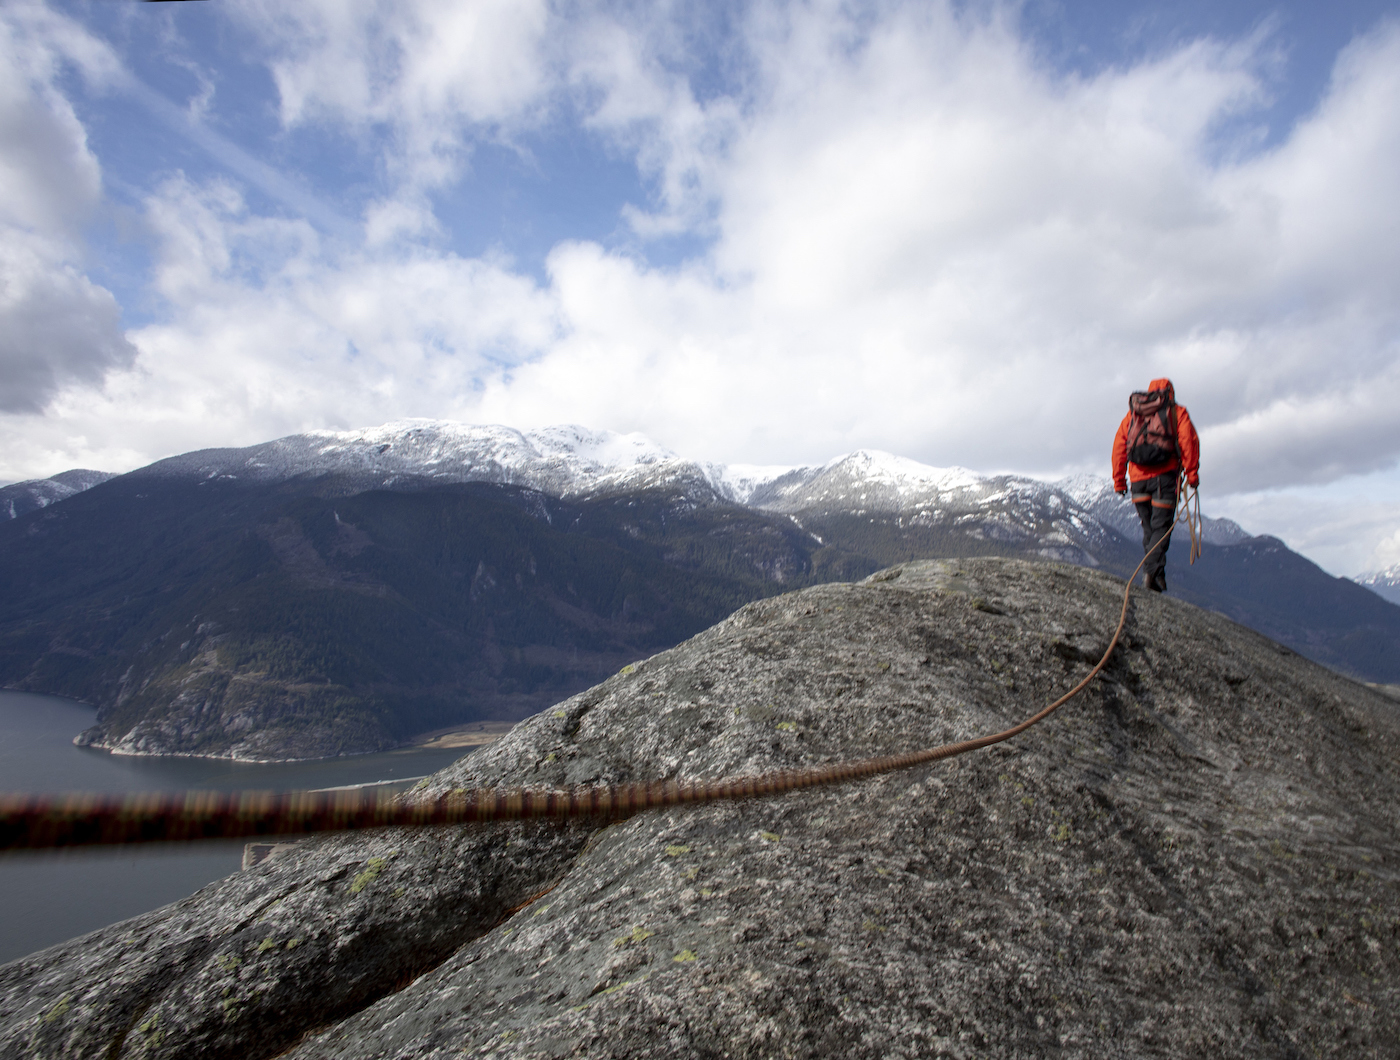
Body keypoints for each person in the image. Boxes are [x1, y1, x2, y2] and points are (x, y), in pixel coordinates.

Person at [1111, 377, 1200, 592]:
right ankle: (1151, 573)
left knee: (1149, 530)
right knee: (1161, 529)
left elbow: (1119, 447)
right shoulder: (1177, 412)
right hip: (1165, 480)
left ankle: (1157, 576)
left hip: (1138, 482)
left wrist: (1119, 480)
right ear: (1170, 393)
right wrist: (1192, 475)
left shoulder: (1133, 415)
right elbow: (1189, 442)